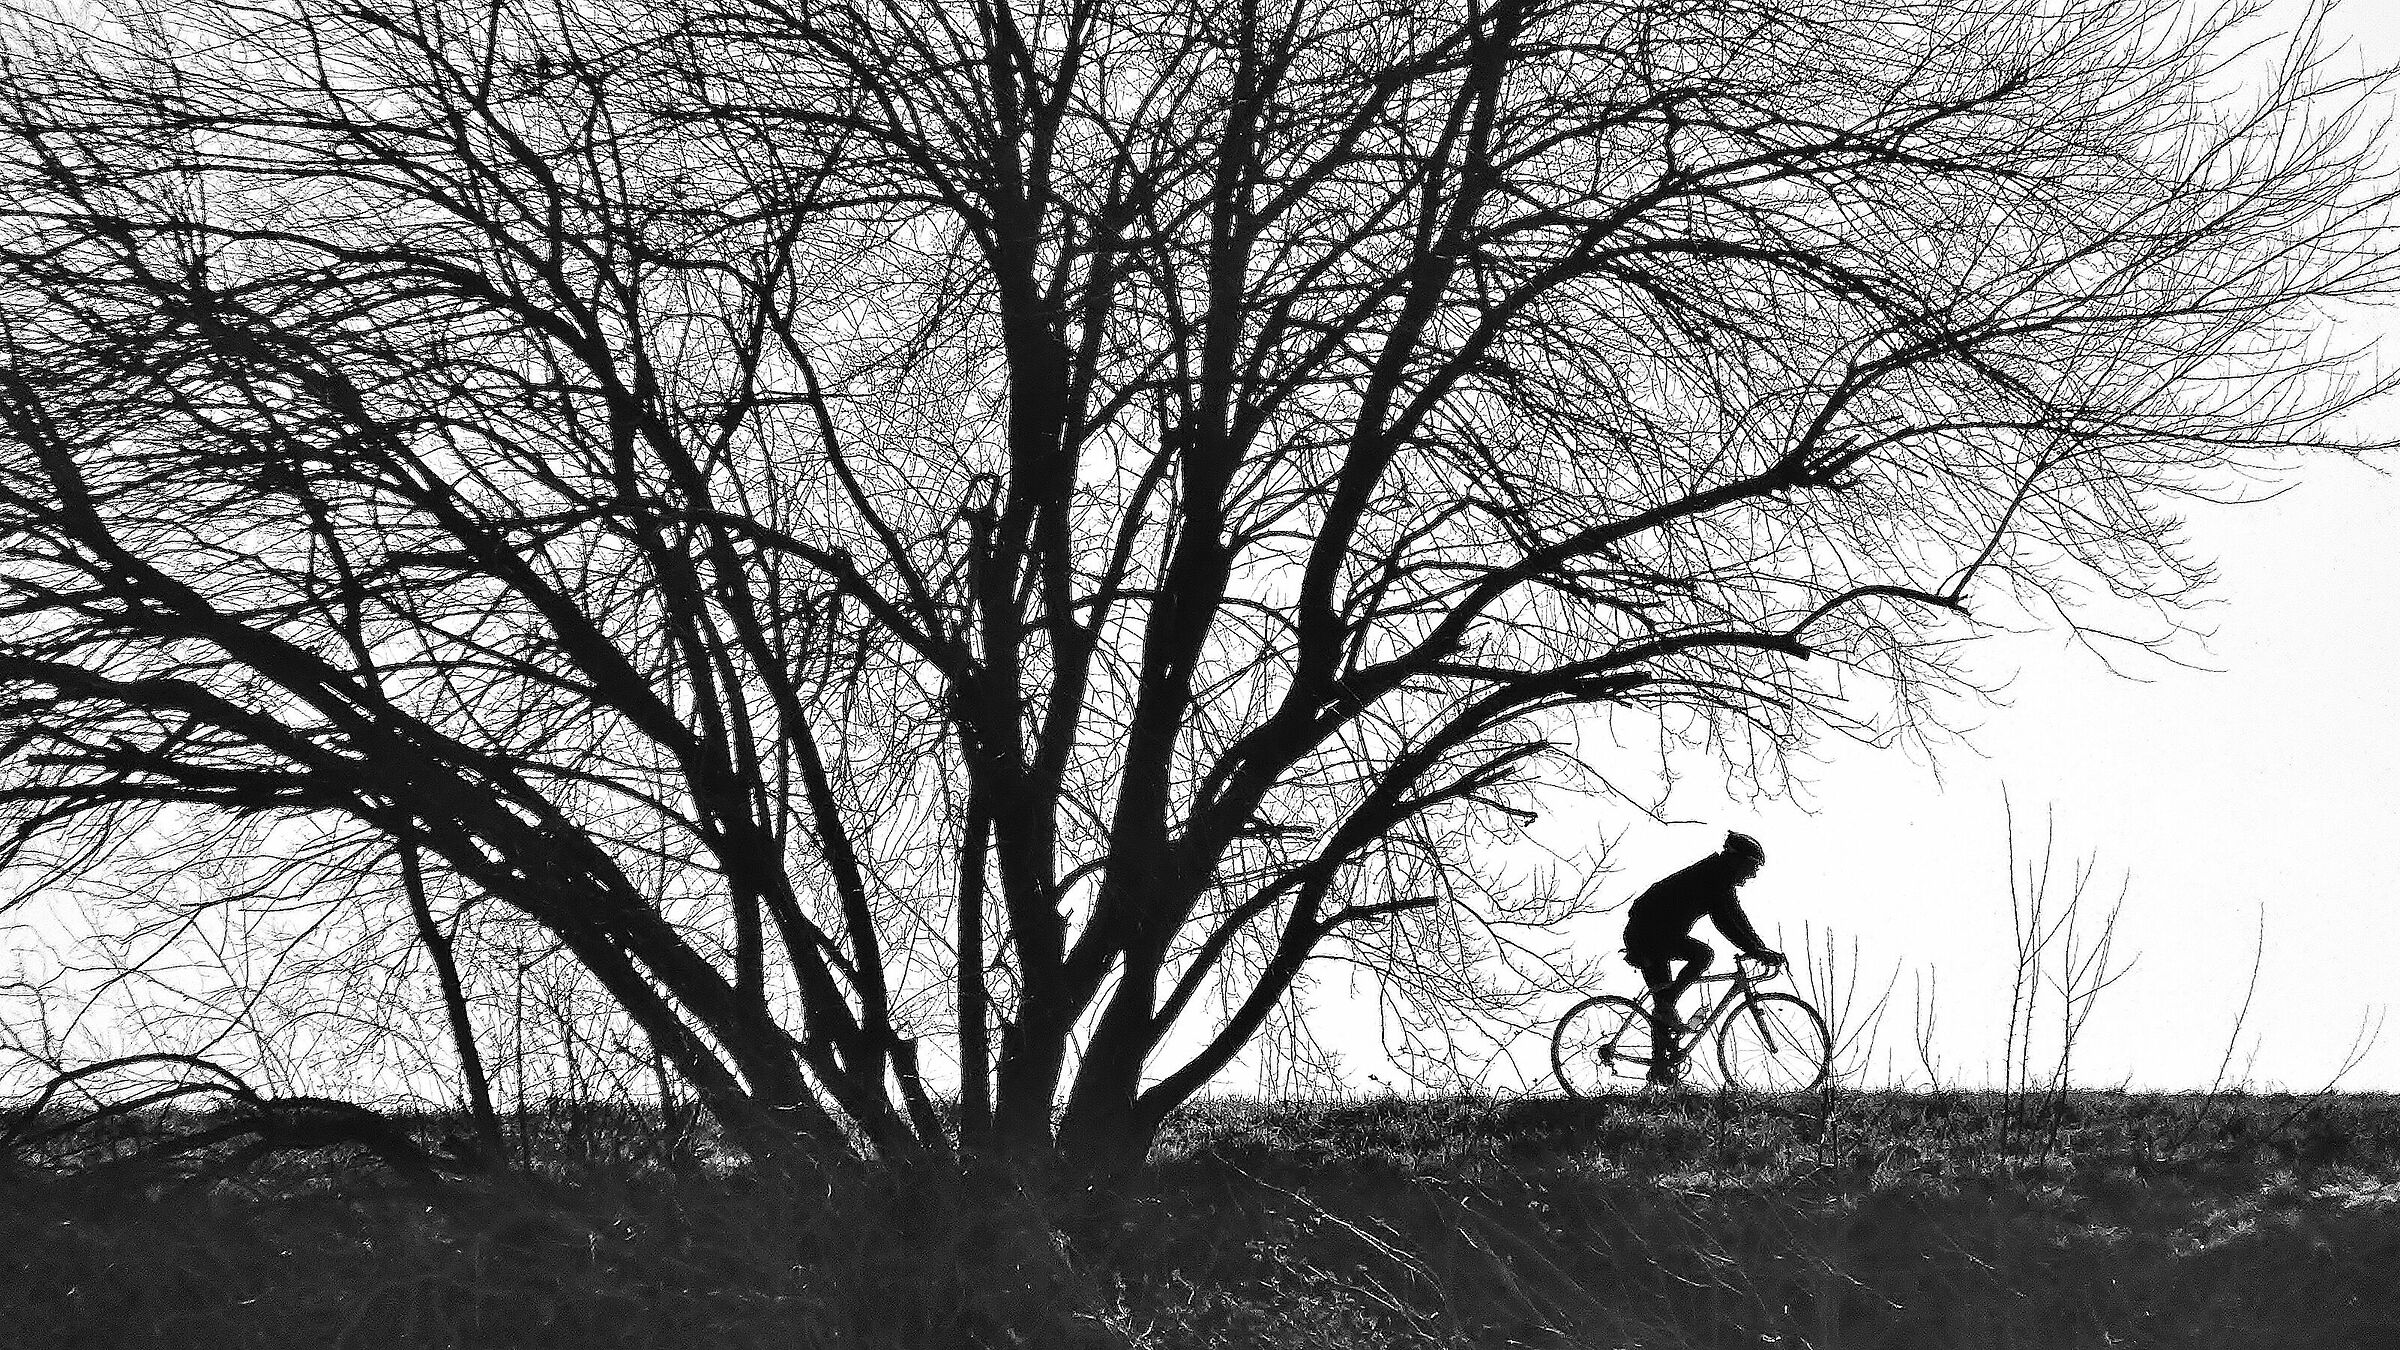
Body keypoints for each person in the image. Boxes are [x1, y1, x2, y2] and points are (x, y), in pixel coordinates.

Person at [1622, 831, 1784, 1083]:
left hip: (1650, 933)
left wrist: (1759, 948)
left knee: (1664, 1000)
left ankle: (1660, 1067)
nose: (1752, 875)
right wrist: (1756, 951)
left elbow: (1736, 917)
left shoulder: (1717, 875)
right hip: (1648, 934)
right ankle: (1665, 1015)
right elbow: (1725, 921)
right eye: (1751, 867)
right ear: (1737, 860)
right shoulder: (1713, 878)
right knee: (1703, 955)